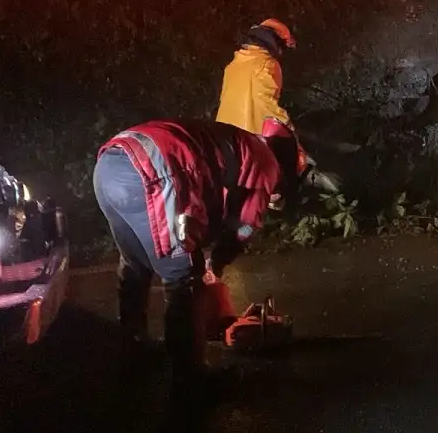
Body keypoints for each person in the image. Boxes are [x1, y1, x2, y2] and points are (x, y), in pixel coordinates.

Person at [92, 117, 298, 391]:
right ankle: (190, 378)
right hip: (154, 171)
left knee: (135, 264)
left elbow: (211, 195)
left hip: (109, 165)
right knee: (184, 275)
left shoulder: (239, 142)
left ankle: (134, 349)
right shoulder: (267, 164)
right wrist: (218, 261)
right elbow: (245, 225)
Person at [215, 18, 339, 192]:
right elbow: (270, 109)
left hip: (224, 142)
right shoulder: (269, 65)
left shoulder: (232, 66)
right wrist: (298, 150)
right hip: (252, 143)